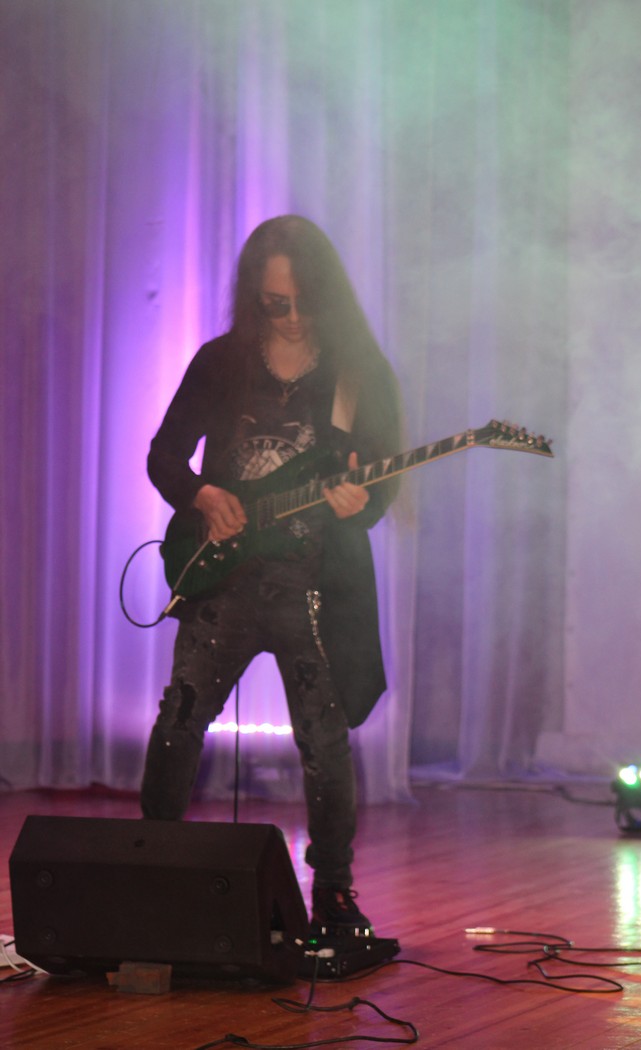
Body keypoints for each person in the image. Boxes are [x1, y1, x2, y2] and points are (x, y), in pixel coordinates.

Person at [140, 215, 402, 933]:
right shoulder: (221, 361)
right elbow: (164, 455)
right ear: (253, 296)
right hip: (223, 581)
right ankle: (148, 870)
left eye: (301, 303)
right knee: (180, 721)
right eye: (273, 303)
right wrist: (202, 495)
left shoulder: (359, 372)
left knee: (324, 742)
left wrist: (361, 502)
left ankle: (334, 895)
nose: (288, 317)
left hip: (314, 585)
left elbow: (381, 483)